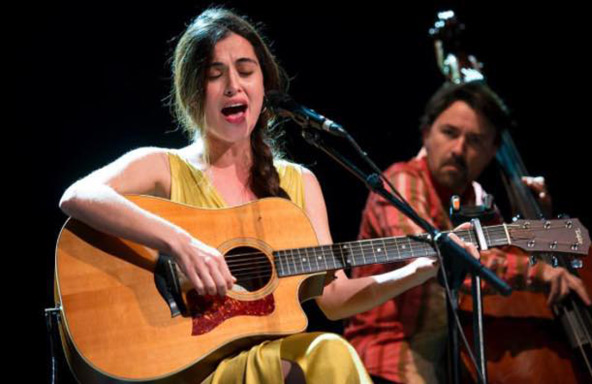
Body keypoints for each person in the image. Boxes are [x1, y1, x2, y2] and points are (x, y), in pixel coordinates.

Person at [58, 8, 480, 384]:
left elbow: (333, 299)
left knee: (329, 352)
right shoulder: (163, 166)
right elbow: (80, 195)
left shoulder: (298, 184)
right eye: (214, 73)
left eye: (245, 70)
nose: (232, 86)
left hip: (264, 365)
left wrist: (424, 267)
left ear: (265, 83)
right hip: (182, 369)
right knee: (330, 354)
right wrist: (180, 244)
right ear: (193, 90)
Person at [343, 81, 591, 384]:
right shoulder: (401, 182)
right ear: (426, 134)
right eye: (449, 133)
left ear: (492, 151)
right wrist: (541, 274)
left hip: (446, 368)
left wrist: (540, 219)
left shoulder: (476, 200)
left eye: (474, 140)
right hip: (384, 365)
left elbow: (504, 262)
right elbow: (435, 256)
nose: (459, 149)